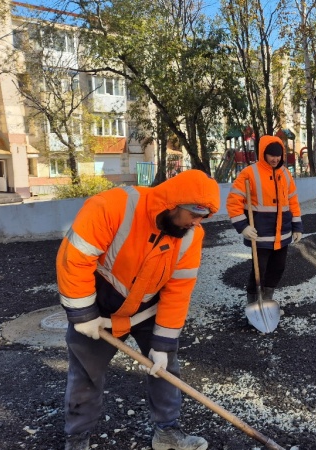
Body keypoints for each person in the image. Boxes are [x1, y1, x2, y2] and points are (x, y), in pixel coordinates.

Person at [57, 169, 221, 450]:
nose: (197, 222)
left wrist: (163, 342)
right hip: (99, 310)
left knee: (165, 368)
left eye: (203, 216)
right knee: (85, 376)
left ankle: (167, 433)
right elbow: (75, 258)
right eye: (194, 214)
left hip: (147, 310)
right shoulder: (113, 207)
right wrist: (82, 312)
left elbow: (178, 291)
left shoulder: (190, 236)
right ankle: (77, 440)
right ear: (173, 204)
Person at [227, 135, 303, 313]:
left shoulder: (285, 173)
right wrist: (243, 226)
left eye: (278, 155)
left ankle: (267, 300)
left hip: (282, 233)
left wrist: (297, 226)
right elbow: (233, 202)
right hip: (260, 233)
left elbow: (293, 201)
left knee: (278, 267)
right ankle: (253, 304)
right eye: (271, 155)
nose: (275, 159)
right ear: (263, 154)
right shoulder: (249, 173)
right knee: (258, 270)